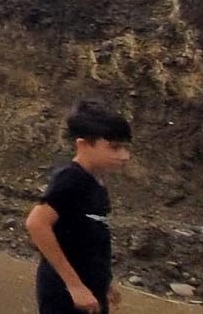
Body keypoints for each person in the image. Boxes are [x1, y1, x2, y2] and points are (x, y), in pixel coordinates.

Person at [24, 100, 133, 313]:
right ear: (83, 144)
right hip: (65, 293)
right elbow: (36, 224)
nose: (124, 156)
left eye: (126, 148)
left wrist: (104, 283)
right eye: (114, 147)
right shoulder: (70, 179)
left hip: (90, 290)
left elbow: (88, 240)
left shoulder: (95, 182)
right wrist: (74, 285)